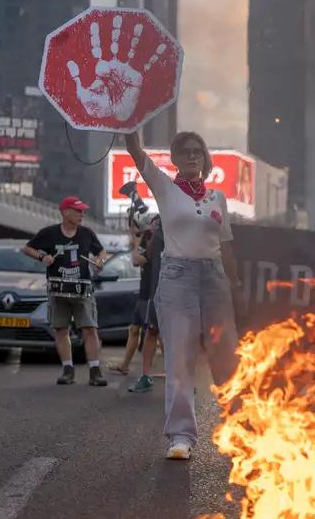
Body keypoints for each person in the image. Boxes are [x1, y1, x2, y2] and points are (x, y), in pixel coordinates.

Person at [124, 129, 241, 461]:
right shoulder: (164, 188)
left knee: (227, 357)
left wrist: (237, 286)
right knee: (180, 359)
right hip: (178, 278)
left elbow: (227, 245)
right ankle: (181, 435)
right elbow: (134, 148)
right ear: (174, 158)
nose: (193, 156)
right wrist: (129, 118)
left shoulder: (217, 197)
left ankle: (242, 429)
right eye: (186, 151)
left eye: (198, 152)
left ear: (205, 160)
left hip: (216, 278)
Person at [23, 197, 110, 387]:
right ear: (65, 212)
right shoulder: (49, 233)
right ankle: (67, 369)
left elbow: (101, 252)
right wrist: (42, 256)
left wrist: (100, 261)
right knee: (61, 329)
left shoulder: (87, 233)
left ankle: (95, 371)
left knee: (89, 329)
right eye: (78, 211)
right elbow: (27, 248)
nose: (82, 214)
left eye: (82, 211)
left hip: (82, 287)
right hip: (57, 288)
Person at [122, 214, 163, 394]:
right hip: (155, 295)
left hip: (179, 296)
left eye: (157, 224)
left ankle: (179, 379)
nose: (154, 227)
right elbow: (138, 259)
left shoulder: (183, 238)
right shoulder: (155, 241)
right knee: (151, 333)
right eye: (154, 224)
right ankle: (145, 376)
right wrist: (136, 241)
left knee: (173, 338)